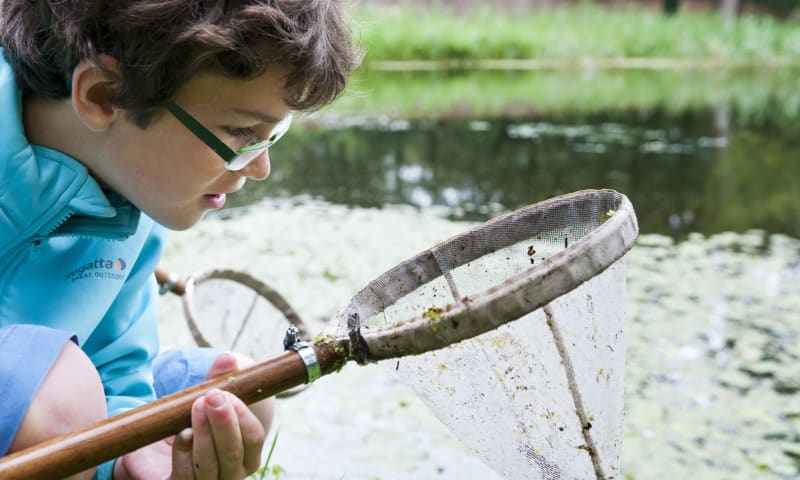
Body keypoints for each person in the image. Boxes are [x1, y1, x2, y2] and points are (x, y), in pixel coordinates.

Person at [0, 1, 358, 479]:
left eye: (273, 134)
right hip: (49, 394)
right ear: (104, 96)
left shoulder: (128, 200)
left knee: (236, 395)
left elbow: (116, 368)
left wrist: (127, 468)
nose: (260, 167)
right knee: (61, 397)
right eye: (240, 133)